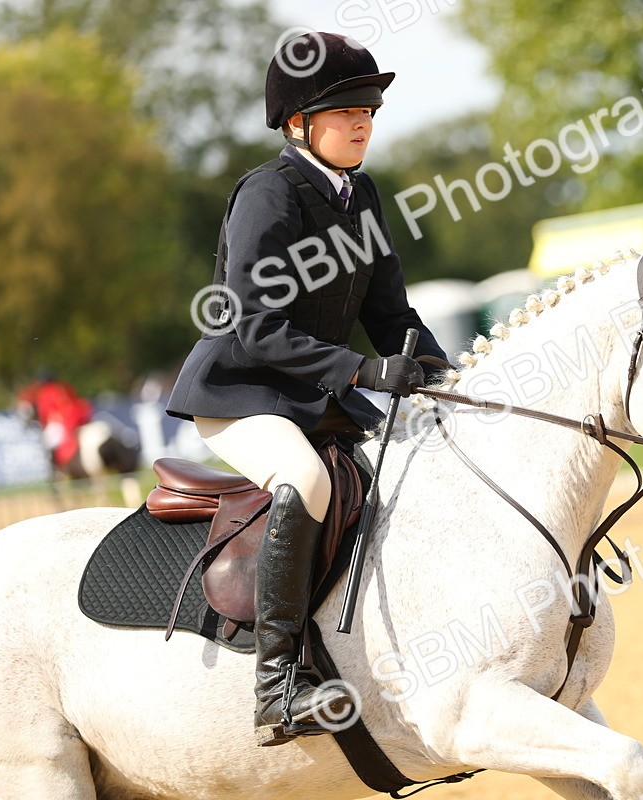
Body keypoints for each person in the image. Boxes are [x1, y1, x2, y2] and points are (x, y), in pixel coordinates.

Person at [165, 31, 449, 746]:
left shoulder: (361, 194)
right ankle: (278, 687)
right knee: (305, 480)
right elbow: (254, 327)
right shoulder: (269, 194)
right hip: (241, 395)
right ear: (298, 124)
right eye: (347, 111)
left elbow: (390, 315)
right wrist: (358, 371)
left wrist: (448, 376)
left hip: (314, 400)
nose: (363, 123)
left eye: (369, 111)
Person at [17, 369, 93, 472]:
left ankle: (57, 470)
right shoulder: (61, 387)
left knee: (48, 443)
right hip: (70, 420)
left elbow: (46, 412)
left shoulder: (47, 392)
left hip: (60, 422)